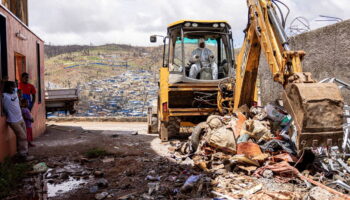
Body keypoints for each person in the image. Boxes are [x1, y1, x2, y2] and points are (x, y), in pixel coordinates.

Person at [2, 81, 30, 160]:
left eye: (15, 87)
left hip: (20, 118)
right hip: (13, 120)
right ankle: (23, 155)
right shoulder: (4, 96)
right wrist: (3, 82)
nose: (15, 88)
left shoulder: (15, 94)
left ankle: (23, 152)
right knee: (22, 137)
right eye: (13, 87)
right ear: (8, 87)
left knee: (23, 136)